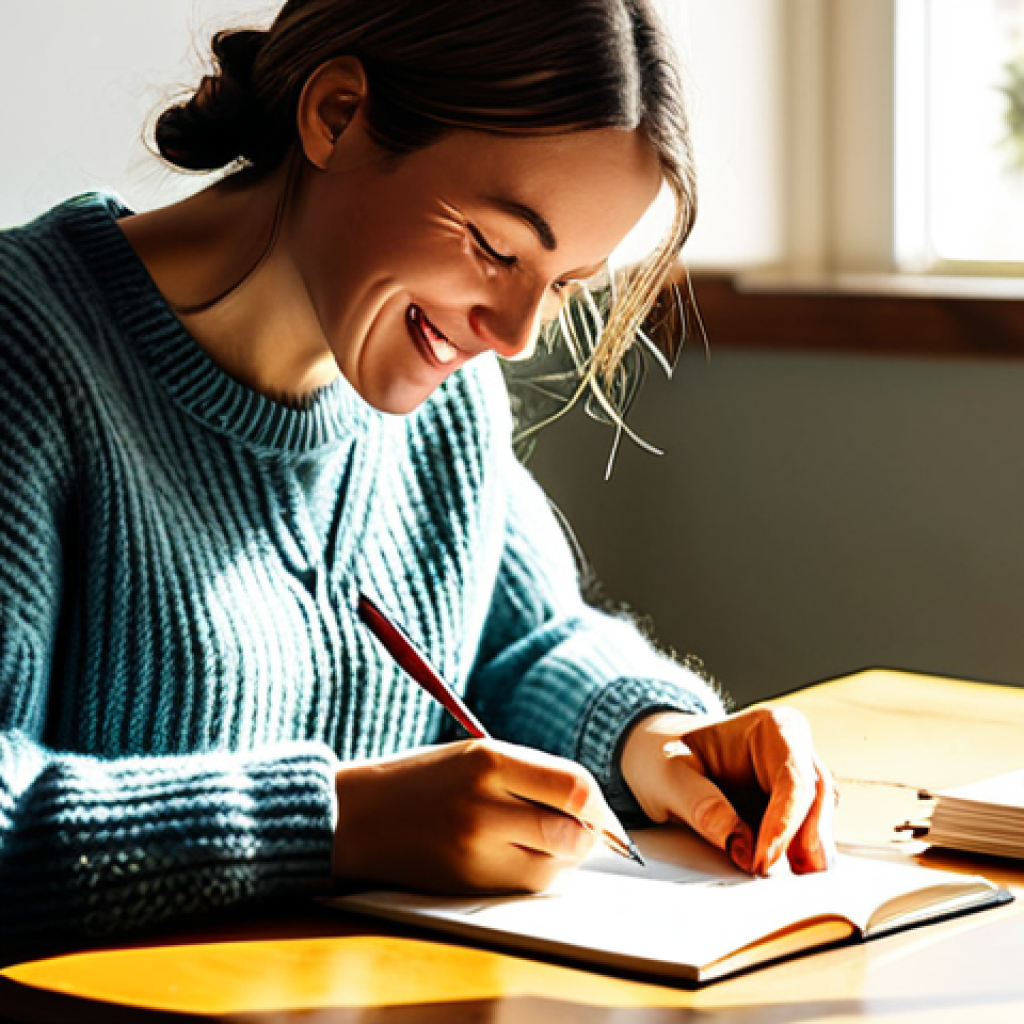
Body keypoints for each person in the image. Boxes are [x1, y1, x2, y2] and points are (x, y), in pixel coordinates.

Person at [0, 0, 835, 949]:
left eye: (564, 285)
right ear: (338, 116)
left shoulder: (440, 397)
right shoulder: (26, 356)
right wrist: (337, 825)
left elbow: (522, 645)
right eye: (494, 246)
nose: (515, 339)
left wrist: (652, 737)